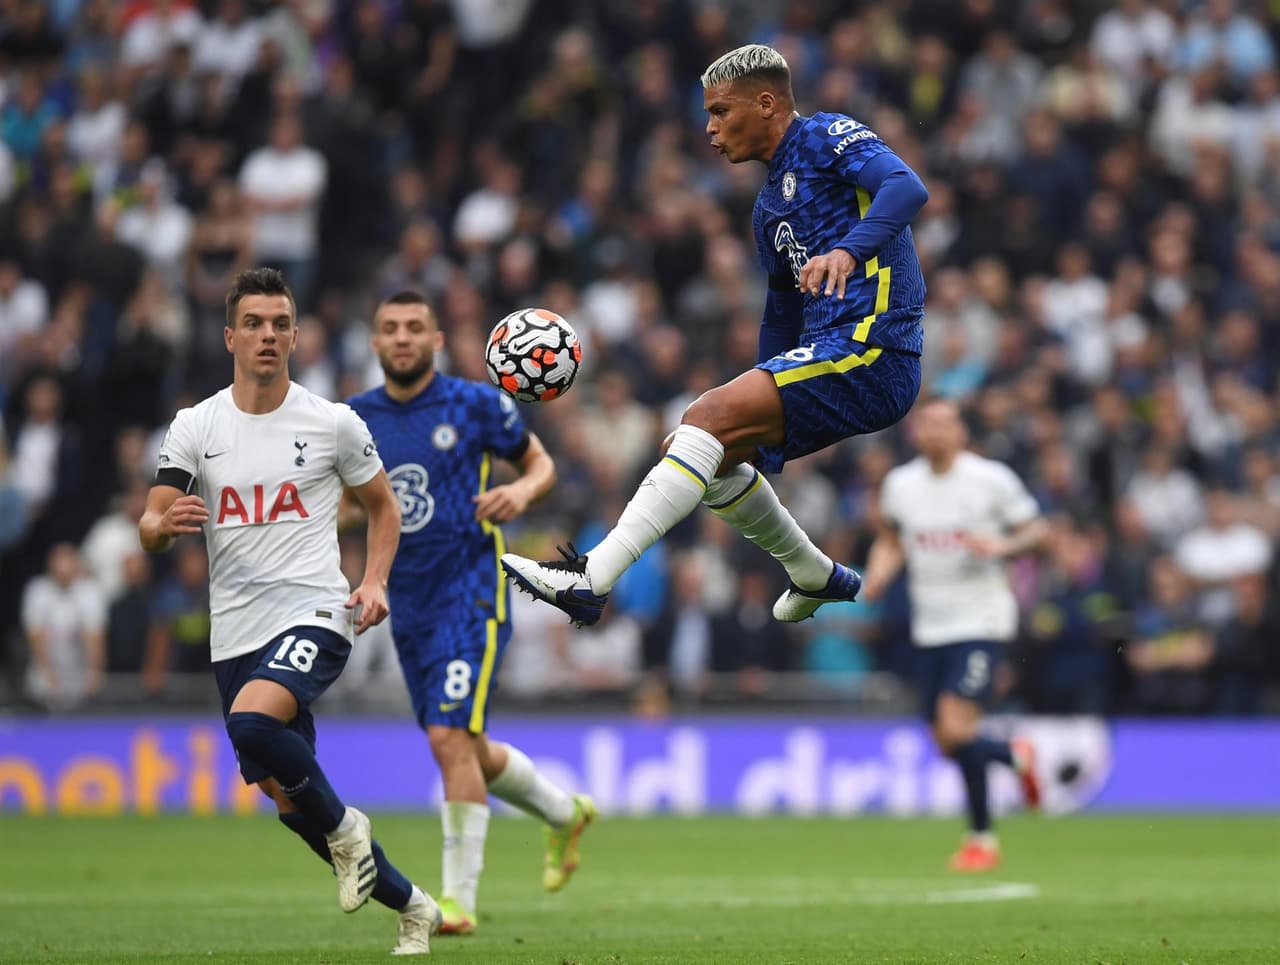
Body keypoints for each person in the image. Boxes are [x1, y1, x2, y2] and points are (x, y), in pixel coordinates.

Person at [501, 44, 928, 629]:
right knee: (701, 453)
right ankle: (813, 572)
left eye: (722, 112)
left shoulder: (828, 135)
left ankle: (589, 580)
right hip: (833, 350)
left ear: (767, 103)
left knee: (705, 420)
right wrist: (762, 397)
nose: (710, 128)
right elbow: (780, 313)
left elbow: (906, 188)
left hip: (875, 347)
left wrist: (846, 252)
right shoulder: (765, 212)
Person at [138, 268, 440, 955]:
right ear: (229, 336)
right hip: (235, 631)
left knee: (252, 721)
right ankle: (412, 905)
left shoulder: (333, 421)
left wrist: (375, 581)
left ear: (297, 336)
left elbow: (383, 508)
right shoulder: (196, 425)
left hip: (315, 608)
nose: (267, 335)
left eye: (279, 323)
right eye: (253, 323)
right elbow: (151, 519)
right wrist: (160, 528)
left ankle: (346, 830)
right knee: (286, 797)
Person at [344, 290, 596, 936]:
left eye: (415, 328)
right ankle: (564, 812)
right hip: (407, 601)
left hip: (473, 587)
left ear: (435, 341)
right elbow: (350, 505)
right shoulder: (352, 419)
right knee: (465, 745)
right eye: (390, 328)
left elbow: (541, 464)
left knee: (448, 738)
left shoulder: (476, 403)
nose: (402, 338)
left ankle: (457, 900)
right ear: (374, 344)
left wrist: (519, 489)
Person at [860, 398, 1046, 872]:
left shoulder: (990, 479)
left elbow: (1038, 530)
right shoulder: (901, 486)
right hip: (930, 625)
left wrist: (1004, 545)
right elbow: (891, 539)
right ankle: (1006, 771)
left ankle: (984, 830)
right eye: (927, 424)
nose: (935, 432)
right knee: (947, 741)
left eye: (945, 423)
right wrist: (878, 574)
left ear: (962, 432)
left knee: (955, 726)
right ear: (916, 432)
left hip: (981, 619)